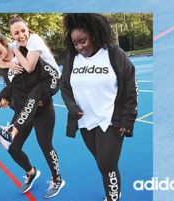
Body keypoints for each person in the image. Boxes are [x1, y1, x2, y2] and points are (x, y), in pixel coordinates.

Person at [0, 25, 64, 198]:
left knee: (45, 146)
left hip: (42, 107)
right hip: (23, 110)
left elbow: (43, 76)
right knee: (13, 148)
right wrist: (8, 99)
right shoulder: (2, 65)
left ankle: (57, 179)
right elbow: (12, 87)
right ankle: (31, 172)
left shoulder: (25, 51)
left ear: (4, 42)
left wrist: (44, 97)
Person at [60, 13, 138, 201]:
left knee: (106, 164)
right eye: (75, 43)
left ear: (94, 35)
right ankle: (113, 192)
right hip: (86, 122)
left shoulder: (113, 54)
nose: (79, 47)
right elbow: (64, 86)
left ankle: (112, 197)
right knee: (103, 164)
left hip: (111, 120)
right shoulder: (72, 58)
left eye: (83, 41)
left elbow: (130, 87)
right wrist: (71, 106)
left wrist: (128, 119)